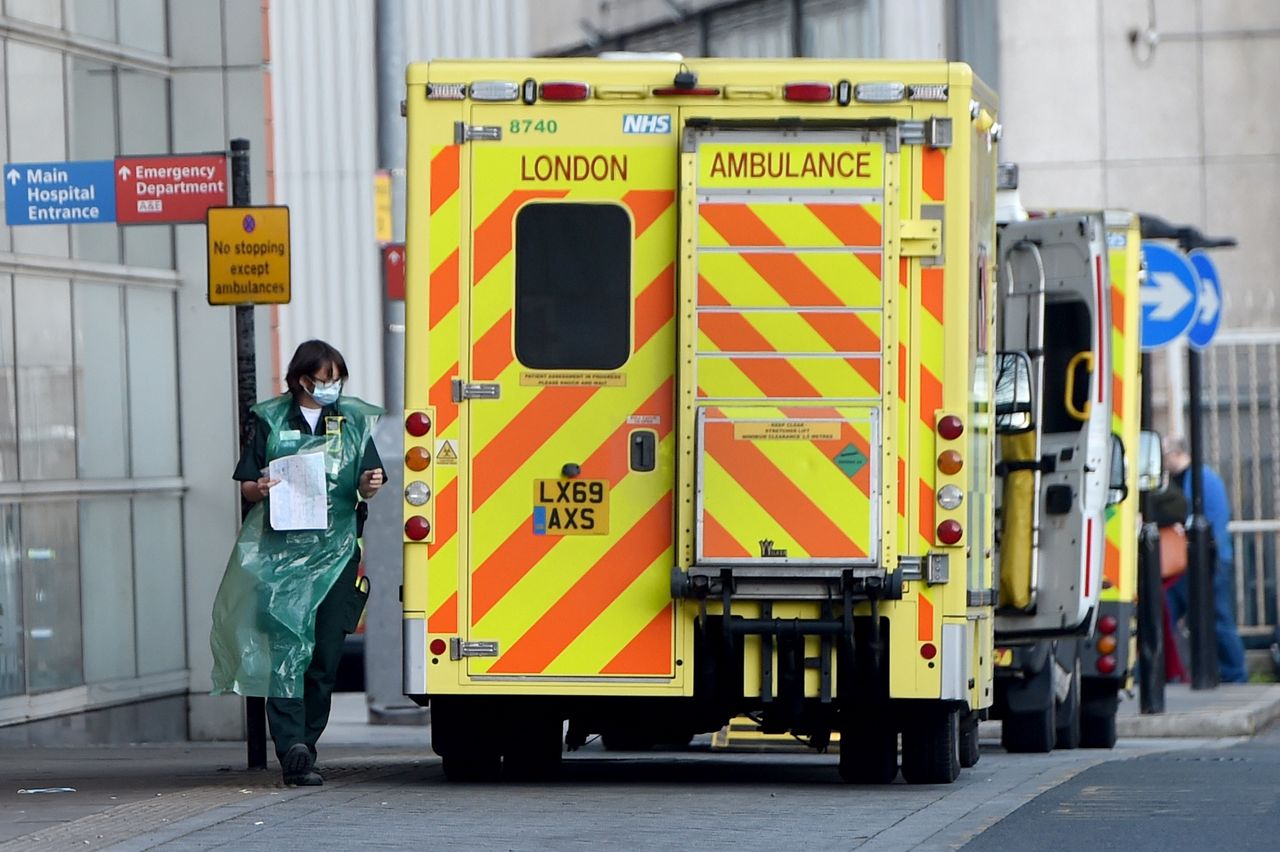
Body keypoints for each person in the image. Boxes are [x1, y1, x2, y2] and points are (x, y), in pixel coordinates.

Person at [210, 340, 385, 785]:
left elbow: (368, 483)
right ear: (302, 378)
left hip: (338, 553)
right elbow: (247, 484)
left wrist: (371, 481)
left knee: (324, 654)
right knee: (287, 651)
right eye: (324, 378)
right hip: (282, 556)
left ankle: (308, 741)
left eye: (337, 378)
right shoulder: (269, 419)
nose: (331, 386)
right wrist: (261, 488)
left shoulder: (351, 421)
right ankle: (292, 750)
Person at [1162, 435, 1248, 683]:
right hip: (1183, 563)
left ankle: (1235, 675)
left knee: (1219, 620)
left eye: (1165, 452)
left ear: (1176, 453)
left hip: (1208, 562)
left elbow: (1214, 522)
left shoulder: (1204, 479)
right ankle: (1175, 673)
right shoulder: (1181, 480)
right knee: (1166, 615)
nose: (1163, 458)